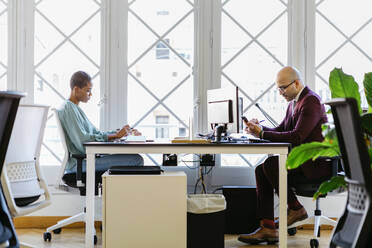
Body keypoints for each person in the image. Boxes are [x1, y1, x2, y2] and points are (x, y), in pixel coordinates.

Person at [238, 66, 332, 244]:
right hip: (302, 162)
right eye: (278, 88)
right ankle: (268, 227)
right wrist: (258, 130)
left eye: (283, 87)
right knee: (261, 169)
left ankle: (296, 209)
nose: (280, 93)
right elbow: (281, 130)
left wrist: (263, 134)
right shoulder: (294, 102)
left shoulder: (311, 100)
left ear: (296, 83)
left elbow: (297, 137)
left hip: (315, 164)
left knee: (272, 164)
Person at [56, 71, 144, 178]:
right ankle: (120, 193)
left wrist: (119, 132)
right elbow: (82, 141)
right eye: (88, 91)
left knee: (134, 158)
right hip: (78, 164)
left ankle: (118, 193)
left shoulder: (75, 109)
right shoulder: (68, 108)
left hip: (87, 159)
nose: (90, 94)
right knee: (136, 159)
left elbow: (96, 133)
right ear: (76, 89)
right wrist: (115, 136)